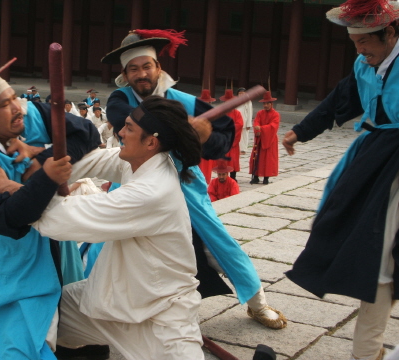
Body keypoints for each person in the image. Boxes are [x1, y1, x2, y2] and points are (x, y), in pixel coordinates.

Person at [100, 29, 287, 329]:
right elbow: (129, 117)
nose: (141, 74)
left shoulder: (181, 100)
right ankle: (109, 307)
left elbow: (223, 130)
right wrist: (182, 125)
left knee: (216, 242)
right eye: (133, 69)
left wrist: (206, 133)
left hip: (182, 181)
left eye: (146, 66)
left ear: (158, 68)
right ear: (125, 75)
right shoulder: (119, 99)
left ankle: (257, 301)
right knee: (111, 244)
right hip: (135, 182)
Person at [0, 61, 101, 360]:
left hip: (51, 245)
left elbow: (87, 134)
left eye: (13, 96)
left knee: (60, 321)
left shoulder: (24, 118)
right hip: (5, 262)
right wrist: (47, 175)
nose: (18, 107)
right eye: (4, 104)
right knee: (13, 334)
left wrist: (41, 158)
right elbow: (8, 220)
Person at [32, 96, 205, 360]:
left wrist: (13, 191)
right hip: (107, 301)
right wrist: (36, 166)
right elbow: (92, 161)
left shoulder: (153, 191)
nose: (120, 132)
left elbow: (65, 218)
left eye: (129, 129)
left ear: (151, 142)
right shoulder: (139, 160)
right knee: (39, 314)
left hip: (160, 315)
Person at [281, 1, 399, 359]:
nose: (361, 50)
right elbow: (337, 102)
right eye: (355, 43)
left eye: (366, 42)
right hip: (370, 160)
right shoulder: (364, 66)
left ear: (391, 33)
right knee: (370, 247)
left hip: (393, 166)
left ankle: (368, 349)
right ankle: (370, 349)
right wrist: (301, 132)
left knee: (379, 248)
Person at [249, 91, 280, 185]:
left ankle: (266, 178)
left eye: (267, 103)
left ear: (271, 104)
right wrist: (257, 131)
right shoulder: (260, 113)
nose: (265, 105)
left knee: (268, 159)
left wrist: (261, 129)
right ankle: (256, 176)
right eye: (264, 103)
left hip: (270, 139)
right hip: (260, 139)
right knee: (257, 157)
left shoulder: (276, 114)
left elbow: (273, 126)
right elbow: (256, 122)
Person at [218, 88, 243, 182]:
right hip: (224, 140)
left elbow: (239, 125)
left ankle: (233, 176)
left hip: (232, 141)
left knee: (233, 159)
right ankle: (222, 175)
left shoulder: (237, 113)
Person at [196, 88, 216, 184]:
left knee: (207, 168)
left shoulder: (215, 115)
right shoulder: (196, 114)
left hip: (209, 145)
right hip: (198, 145)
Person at [237, 87, 253, 155]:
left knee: (245, 135)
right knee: (238, 135)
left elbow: (250, 112)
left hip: (245, 120)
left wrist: (249, 124)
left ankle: (244, 149)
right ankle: (239, 149)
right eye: (240, 93)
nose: (241, 95)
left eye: (242, 93)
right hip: (238, 121)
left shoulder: (248, 101)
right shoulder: (236, 101)